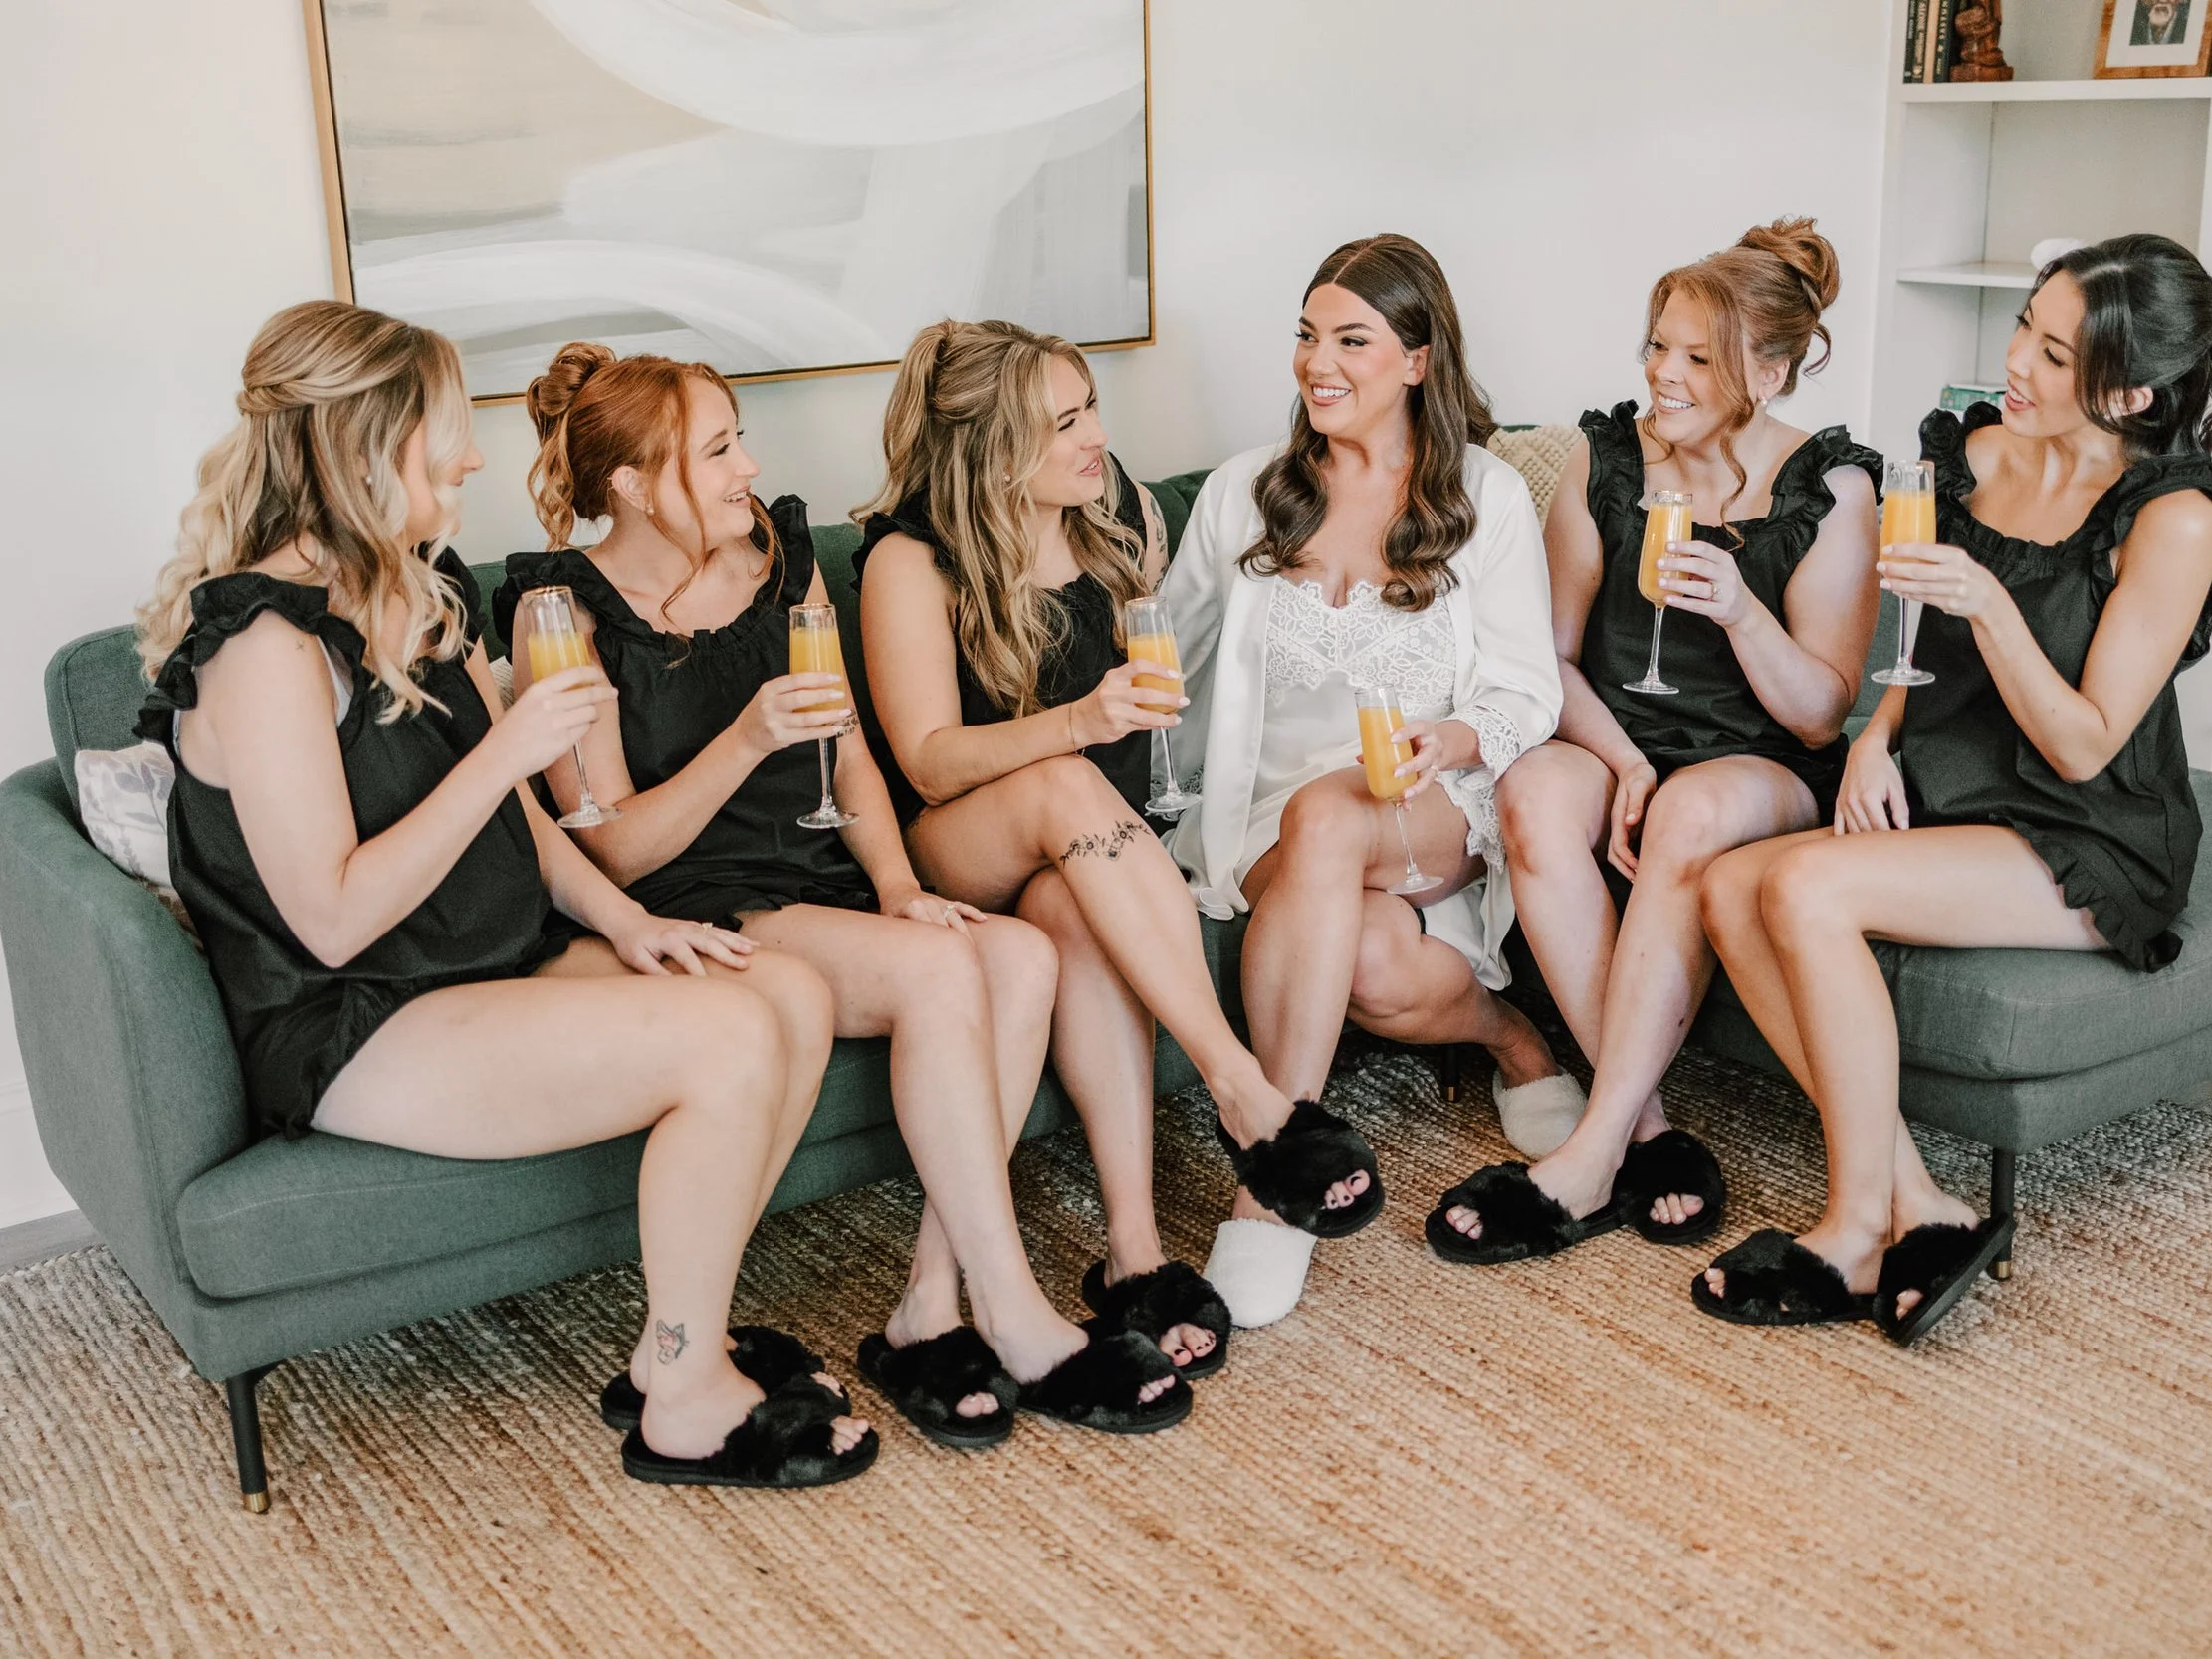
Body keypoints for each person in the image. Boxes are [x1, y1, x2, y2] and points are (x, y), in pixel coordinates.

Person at [134, 300, 875, 1491]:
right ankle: (683, 1402)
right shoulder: (261, 649)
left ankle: (674, 1340)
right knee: (732, 1035)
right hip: (356, 1010)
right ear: (366, 444)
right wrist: (506, 742)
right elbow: (329, 915)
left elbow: (521, 821)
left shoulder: (409, 584)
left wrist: (630, 919)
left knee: (776, 986)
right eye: (443, 427)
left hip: (482, 954)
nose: (472, 453)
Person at [500, 344, 1189, 1444]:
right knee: (937, 971)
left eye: (738, 442)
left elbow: (852, 752)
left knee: (1016, 953)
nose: (746, 465)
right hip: (697, 900)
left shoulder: (776, 552)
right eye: (717, 449)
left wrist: (899, 881)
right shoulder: (558, 614)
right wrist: (741, 740)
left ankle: (927, 1303)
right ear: (631, 483)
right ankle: (1012, 1310)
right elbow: (614, 851)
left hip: (822, 881)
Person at [1693, 233, 2212, 1343]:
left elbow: (2088, 743)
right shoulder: (1976, 449)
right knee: (1724, 888)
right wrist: (1875, 733)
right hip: (1955, 782)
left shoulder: (2170, 516)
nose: (2017, 365)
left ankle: (1854, 1225)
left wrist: (1990, 604)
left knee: (1804, 887)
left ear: (2131, 390)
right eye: (2022, 328)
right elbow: (1913, 629)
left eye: (2055, 354)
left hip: (2086, 825)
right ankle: (1920, 1200)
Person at [856, 319, 1373, 1353]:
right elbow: (924, 757)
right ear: (994, 450)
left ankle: (1131, 1249)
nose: (1094, 435)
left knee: (1073, 912)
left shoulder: (1114, 514)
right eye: (1063, 423)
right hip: (965, 840)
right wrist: (1078, 725)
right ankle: (1241, 1086)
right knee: (1061, 782)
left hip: (1087, 859)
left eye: (1090, 406)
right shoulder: (910, 561)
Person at [1428, 219, 1881, 1268]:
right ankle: (1646, 1131)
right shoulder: (1602, 456)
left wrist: (1738, 610)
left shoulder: (1831, 488)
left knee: (1689, 808)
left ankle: (1586, 1152)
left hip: (1757, 761)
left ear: (1767, 374)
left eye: (1695, 358)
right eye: (1656, 345)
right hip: (1615, 731)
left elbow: (1819, 710)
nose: (1661, 375)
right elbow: (1551, 663)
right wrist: (1623, 762)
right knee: (1535, 794)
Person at [1163, 235, 1564, 1324]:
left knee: (1331, 812)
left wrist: (1455, 740)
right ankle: (1507, 1034)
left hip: (1427, 795)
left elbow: (1530, 686)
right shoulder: (1246, 490)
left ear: (1419, 361)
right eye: (1304, 335)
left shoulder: (1482, 494)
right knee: (1378, 966)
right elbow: (1168, 639)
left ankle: (1270, 1186)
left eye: (1350, 339)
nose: (1316, 362)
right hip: (1264, 812)